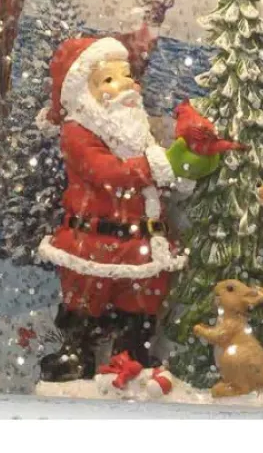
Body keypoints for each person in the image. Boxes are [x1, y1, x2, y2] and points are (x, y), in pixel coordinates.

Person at [35, 36, 194, 382]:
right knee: (86, 302)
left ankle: (131, 359)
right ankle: (77, 356)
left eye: (126, 75)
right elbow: (108, 173)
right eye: (108, 79)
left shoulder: (135, 130)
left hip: (141, 243)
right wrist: (157, 165)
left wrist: (178, 171)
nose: (125, 85)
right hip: (93, 243)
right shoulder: (77, 132)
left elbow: (150, 179)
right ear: (83, 94)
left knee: (139, 305)